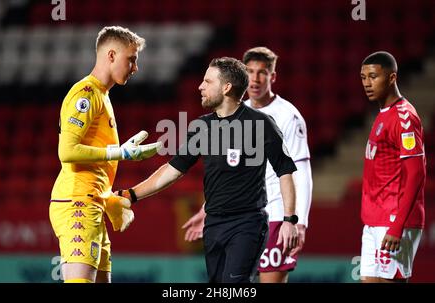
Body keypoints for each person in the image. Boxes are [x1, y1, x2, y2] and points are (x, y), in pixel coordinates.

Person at [117, 57, 299, 283]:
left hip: (247, 224)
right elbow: (173, 169)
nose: (200, 86)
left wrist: (289, 220)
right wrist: (130, 194)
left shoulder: (261, 124)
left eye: (207, 81)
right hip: (213, 225)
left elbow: (285, 171)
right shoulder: (202, 127)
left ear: (226, 87)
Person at [182, 47, 312, 283]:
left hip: (274, 214)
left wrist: (297, 221)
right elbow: (228, 173)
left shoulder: (287, 116)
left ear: (273, 77)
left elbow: (300, 171)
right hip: (240, 217)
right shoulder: (235, 112)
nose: (255, 78)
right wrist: (205, 210)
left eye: (262, 72)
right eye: (250, 71)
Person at [49, 26, 162, 283]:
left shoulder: (103, 95)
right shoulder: (86, 94)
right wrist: (119, 152)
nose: (135, 68)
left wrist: (109, 196)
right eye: (131, 59)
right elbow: (66, 151)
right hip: (77, 203)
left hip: (93, 203)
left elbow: (94, 162)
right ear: (111, 55)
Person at [359, 51, 426, 283]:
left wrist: (397, 226)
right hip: (373, 221)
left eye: (374, 76)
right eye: (363, 77)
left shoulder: (404, 117)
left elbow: (416, 173)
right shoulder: (382, 115)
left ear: (392, 78)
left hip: (393, 220)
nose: (367, 83)